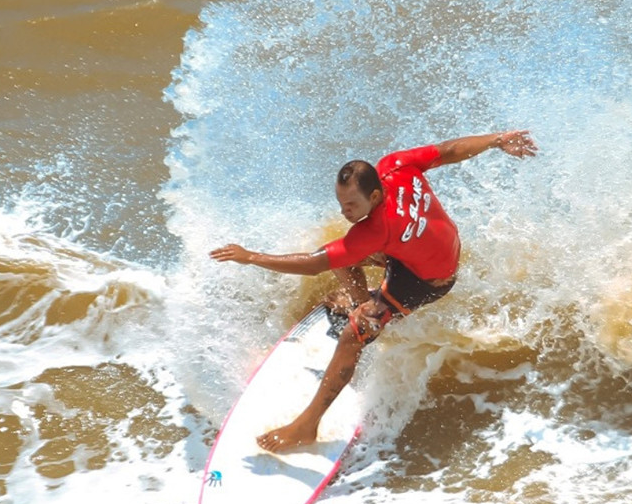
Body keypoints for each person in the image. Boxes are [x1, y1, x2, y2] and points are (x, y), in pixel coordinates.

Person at [209, 130, 538, 452]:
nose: (344, 211)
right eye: (341, 203)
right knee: (340, 252)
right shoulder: (395, 166)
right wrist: (496, 139)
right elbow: (448, 150)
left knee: (352, 335)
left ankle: (307, 426)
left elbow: (312, 265)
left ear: (376, 196)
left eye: (351, 204)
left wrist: (250, 257)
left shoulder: (375, 229)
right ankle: (363, 300)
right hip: (433, 247)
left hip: (428, 279)